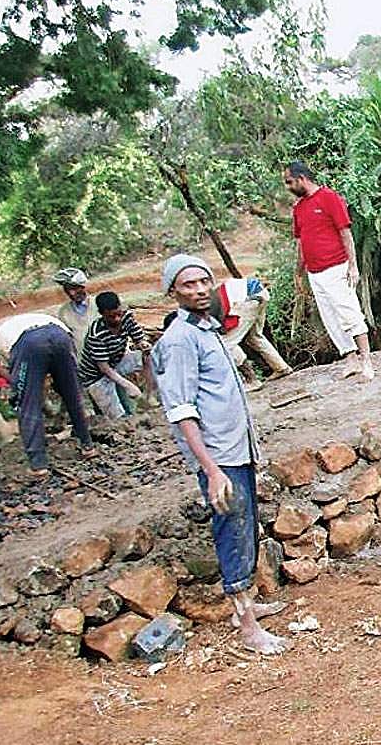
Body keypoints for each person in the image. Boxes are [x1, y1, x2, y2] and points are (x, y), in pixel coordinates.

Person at [152, 254, 290, 655]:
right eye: (188, 284)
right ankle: (248, 628)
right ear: (173, 292)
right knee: (232, 531)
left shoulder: (208, 330)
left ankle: (248, 608)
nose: (198, 290)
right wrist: (211, 470)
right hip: (219, 457)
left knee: (245, 528)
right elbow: (182, 411)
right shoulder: (179, 341)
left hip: (236, 448)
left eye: (203, 282)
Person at [284, 161, 375, 381]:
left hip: (336, 267)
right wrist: (299, 273)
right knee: (330, 318)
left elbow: (345, 233)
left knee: (349, 312)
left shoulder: (329, 198)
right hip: (315, 273)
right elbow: (301, 243)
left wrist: (353, 266)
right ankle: (351, 359)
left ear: (302, 178)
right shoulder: (299, 208)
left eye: (289, 182)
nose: (288, 187)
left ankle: (366, 361)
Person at [0, 313, 96, 475]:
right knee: (73, 395)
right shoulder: (21, 322)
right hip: (60, 335)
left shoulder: (1, 337)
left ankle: (38, 465)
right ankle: (87, 446)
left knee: (28, 406)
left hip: (29, 343)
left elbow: (5, 371)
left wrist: (24, 389)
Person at [76, 291, 153, 420]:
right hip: (96, 375)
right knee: (118, 418)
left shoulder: (127, 317)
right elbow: (104, 368)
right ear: (101, 314)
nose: (117, 319)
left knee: (154, 357)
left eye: (119, 314)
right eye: (111, 317)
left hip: (117, 362)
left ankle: (151, 395)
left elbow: (139, 340)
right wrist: (128, 385)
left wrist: (143, 345)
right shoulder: (96, 334)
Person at [209, 277, 293, 391]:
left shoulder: (198, 308)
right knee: (254, 337)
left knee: (226, 344)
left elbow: (218, 327)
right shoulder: (205, 294)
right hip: (260, 293)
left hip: (246, 299)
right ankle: (281, 368)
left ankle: (252, 380)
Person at [52, 268, 96, 353]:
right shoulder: (63, 312)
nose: (72, 293)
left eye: (74, 289)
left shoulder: (97, 304)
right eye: (67, 289)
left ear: (82, 287)